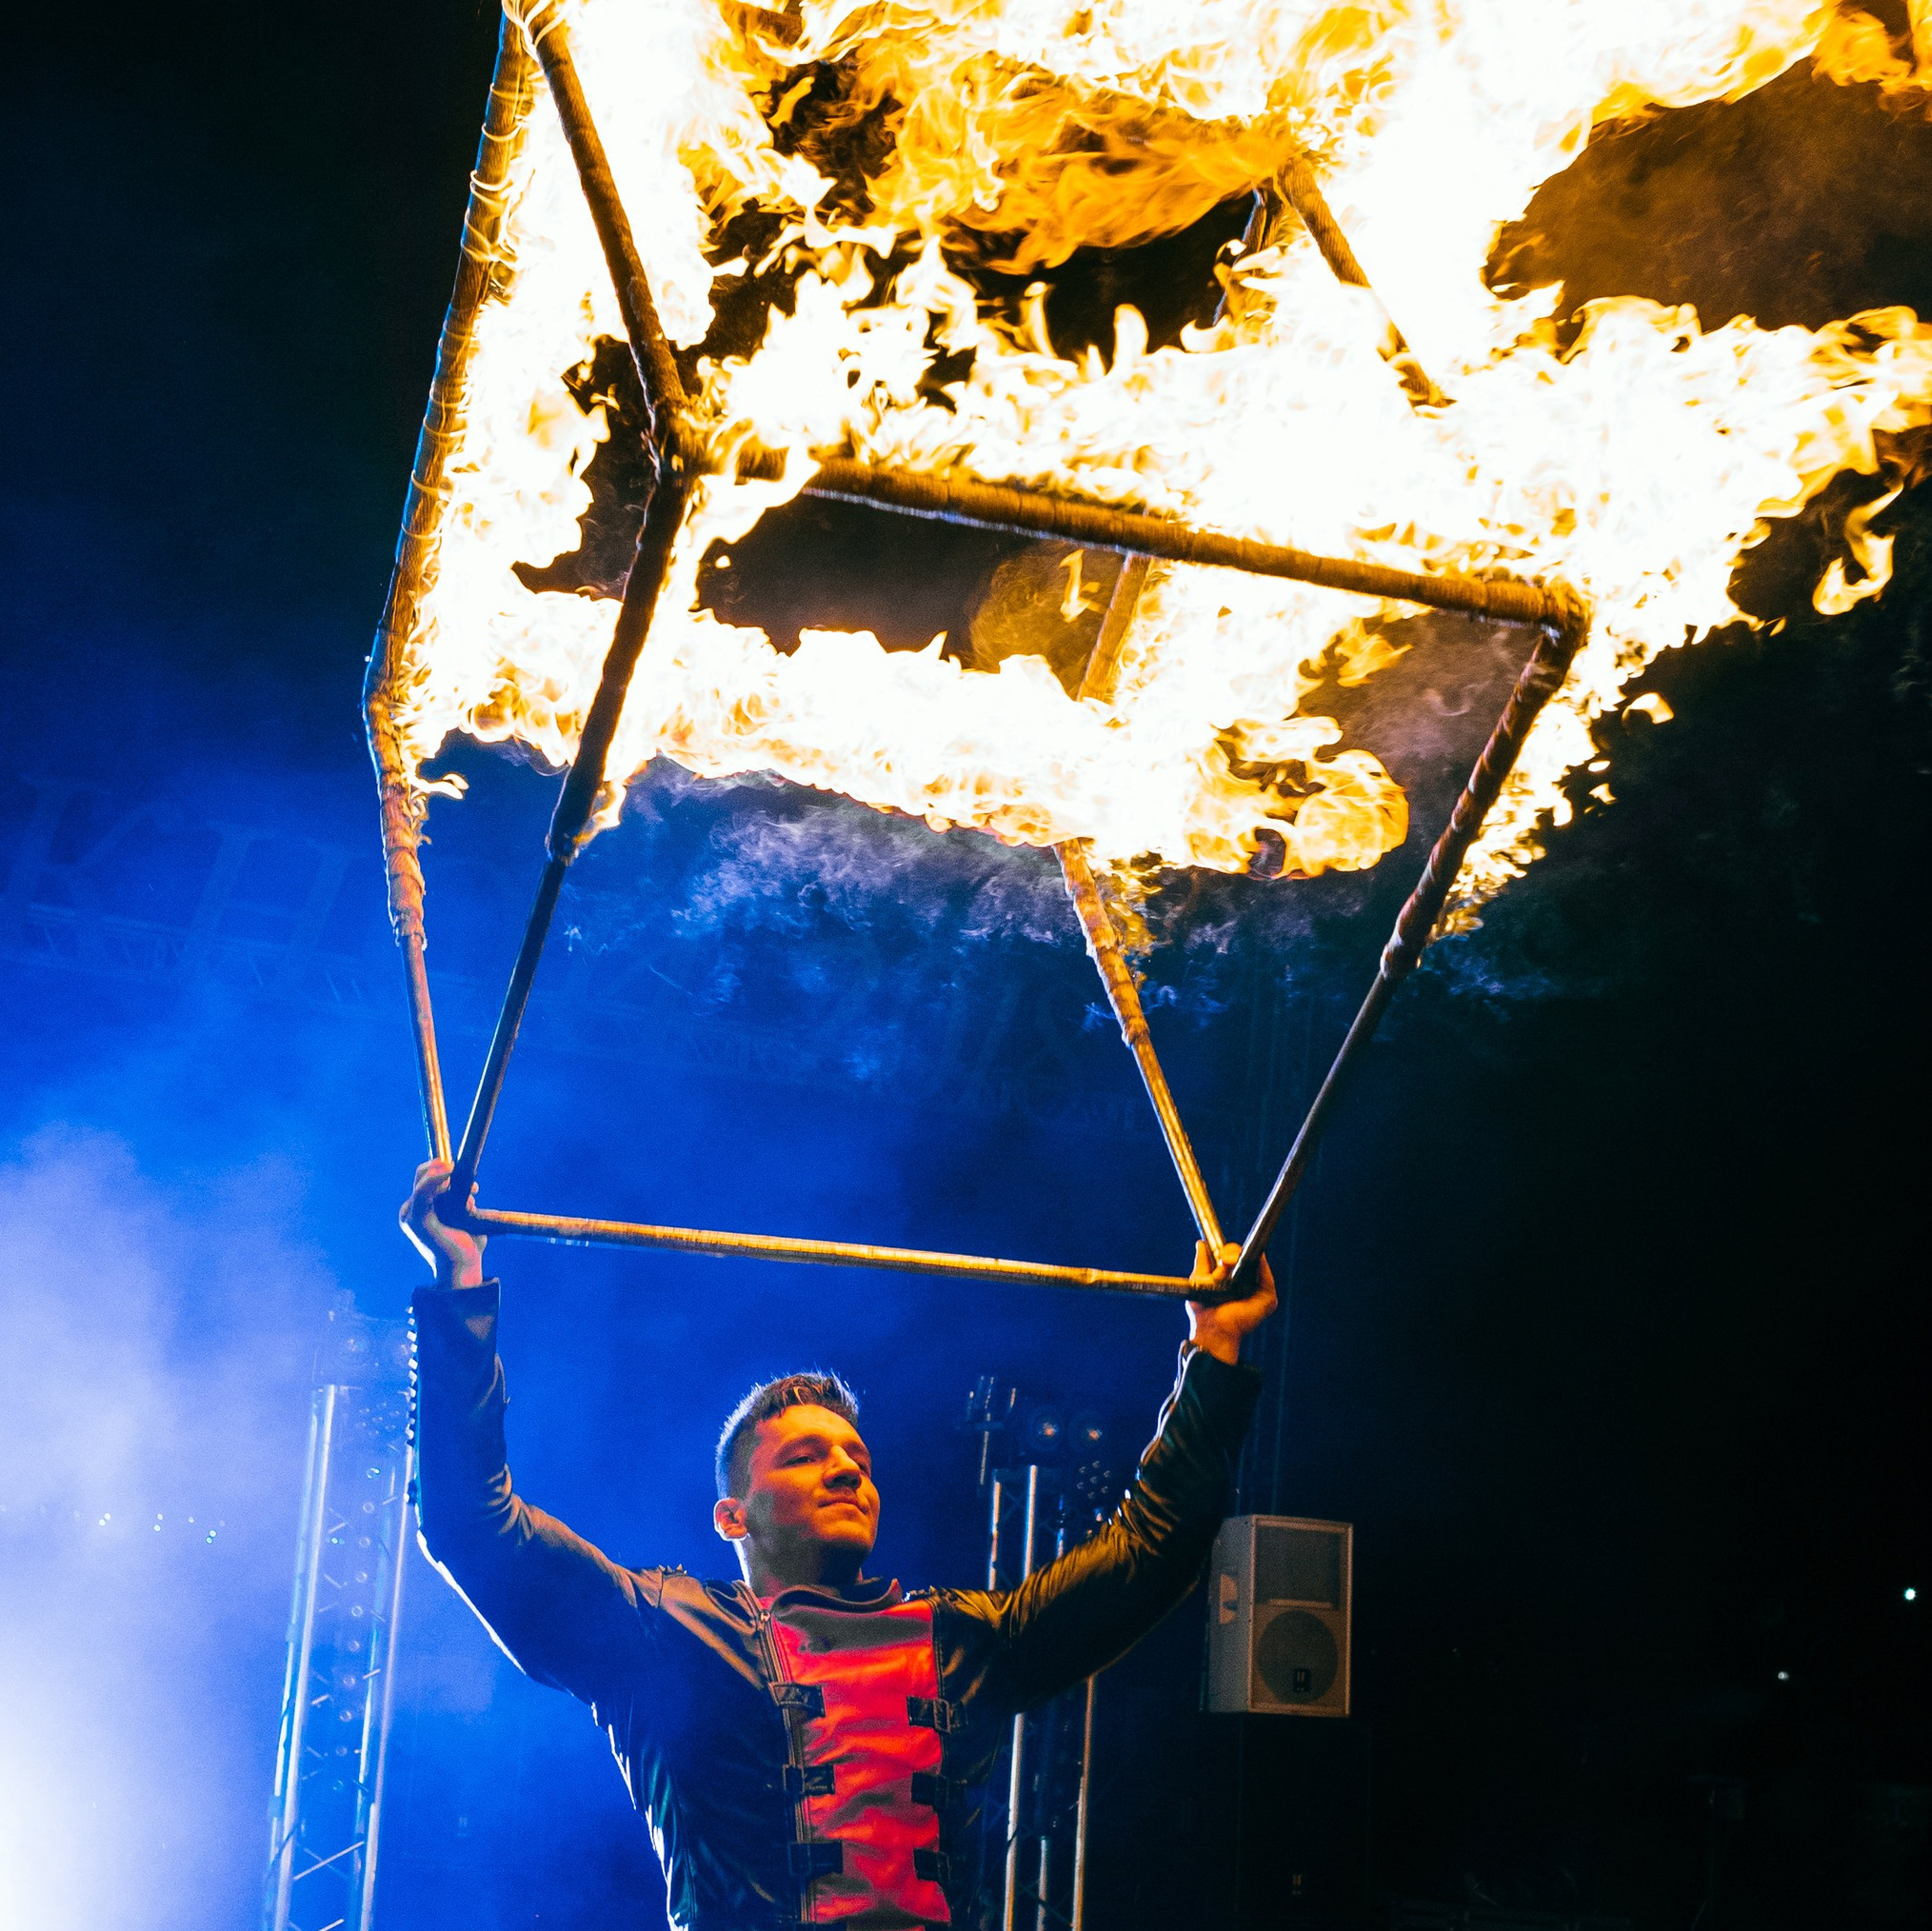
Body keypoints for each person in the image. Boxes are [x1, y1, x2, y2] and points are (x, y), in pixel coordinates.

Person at [403, 1158, 1276, 1931]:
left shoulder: (966, 1639)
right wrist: (460, 1283)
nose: (845, 1470)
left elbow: (1150, 1547)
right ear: (732, 1515)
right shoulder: (658, 1633)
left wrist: (1215, 1352)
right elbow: (471, 1523)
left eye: (856, 1456)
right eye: (804, 1455)